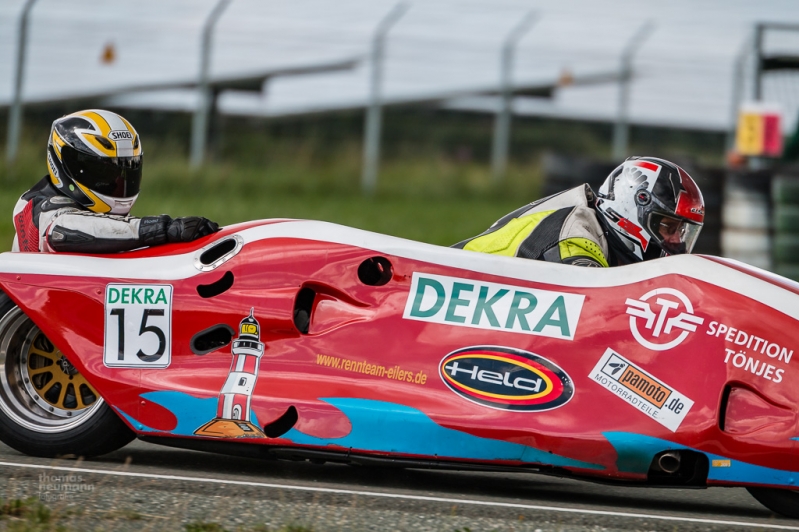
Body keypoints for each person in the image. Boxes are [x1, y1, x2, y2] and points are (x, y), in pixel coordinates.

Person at [12, 109, 219, 253]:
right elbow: (63, 230)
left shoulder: (104, 221)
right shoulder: (39, 210)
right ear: (69, 164)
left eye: (126, 170)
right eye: (105, 171)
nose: (120, 182)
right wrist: (162, 229)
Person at [454, 156, 705, 267]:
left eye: (683, 231)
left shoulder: (600, 236)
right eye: (668, 227)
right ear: (632, 212)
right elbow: (592, 314)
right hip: (442, 293)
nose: (677, 242)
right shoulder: (576, 239)